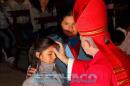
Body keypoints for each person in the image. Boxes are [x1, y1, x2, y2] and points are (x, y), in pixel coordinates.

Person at [54, 0, 130, 86]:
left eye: (81, 38)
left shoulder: (98, 70)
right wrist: (66, 60)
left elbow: (95, 71)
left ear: (86, 43)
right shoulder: (117, 54)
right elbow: (89, 66)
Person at [27, 10, 91, 77]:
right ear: (60, 23)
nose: (70, 28)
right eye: (66, 24)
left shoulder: (88, 41)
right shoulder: (52, 40)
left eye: (74, 24)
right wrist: (33, 68)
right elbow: (37, 54)